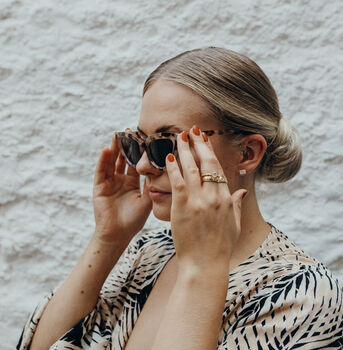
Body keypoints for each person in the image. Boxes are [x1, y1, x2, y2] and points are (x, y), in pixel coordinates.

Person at [17, 47, 343, 350]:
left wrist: (201, 268)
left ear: (247, 152)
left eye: (166, 145)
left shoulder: (302, 295)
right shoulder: (149, 255)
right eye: (138, 143)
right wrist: (108, 239)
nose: (143, 165)